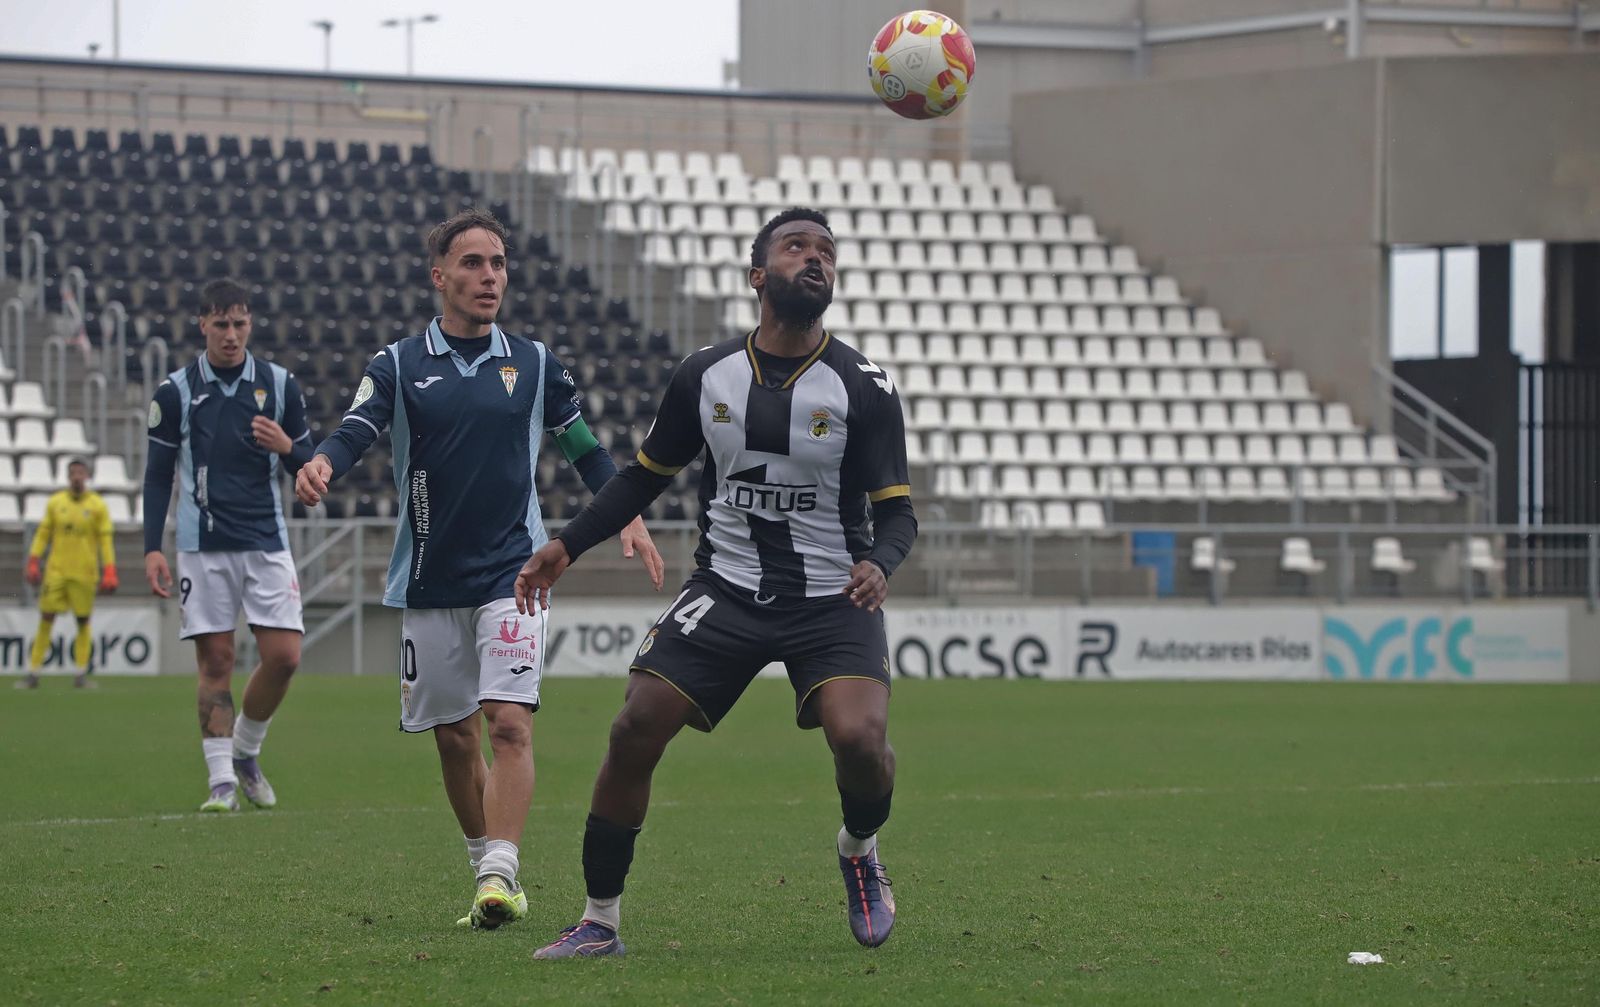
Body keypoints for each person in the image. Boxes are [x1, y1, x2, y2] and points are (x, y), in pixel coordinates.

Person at [515, 207, 918, 958]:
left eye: (826, 250)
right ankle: (600, 921)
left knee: (861, 740)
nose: (815, 258)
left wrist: (879, 564)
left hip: (832, 595)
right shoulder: (705, 375)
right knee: (634, 726)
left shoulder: (864, 386)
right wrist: (565, 546)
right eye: (797, 246)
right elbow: (643, 478)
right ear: (758, 274)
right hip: (726, 588)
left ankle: (859, 850)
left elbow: (898, 515)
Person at [294, 208, 665, 931]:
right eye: (472, 263)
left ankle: (501, 869)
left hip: (515, 574)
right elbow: (358, 427)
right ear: (440, 276)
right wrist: (320, 463)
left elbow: (583, 445)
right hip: (429, 580)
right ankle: (486, 870)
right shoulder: (398, 363)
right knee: (454, 735)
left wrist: (625, 509)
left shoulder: (532, 362)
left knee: (508, 724)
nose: (488, 275)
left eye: (497, 262)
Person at [143, 278, 315, 813]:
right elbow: (157, 475)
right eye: (221, 324)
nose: (232, 335)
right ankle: (221, 782)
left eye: (240, 323)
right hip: (203, 544)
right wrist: (153, 546)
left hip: (265, 539)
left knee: (284, 657)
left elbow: (308, 467)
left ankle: (244, 751)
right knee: (216, 661)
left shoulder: (279, 384)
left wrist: (287, 447)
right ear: (202, 326)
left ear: (250, 324)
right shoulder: (175, 392)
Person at [18, 458, 116, 689]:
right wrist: (33, 561)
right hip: (56, 572)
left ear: (87, 476)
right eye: (73, 472)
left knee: (83, 622)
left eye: (81, 472)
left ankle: (81, 674)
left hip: (84, 573)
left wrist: (109, 570)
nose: (77, 476)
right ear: (68, 476)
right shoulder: (56, 503)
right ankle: (33, 673)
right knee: (46, 618)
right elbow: (43, 534)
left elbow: (105, 541)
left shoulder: (97, 506)